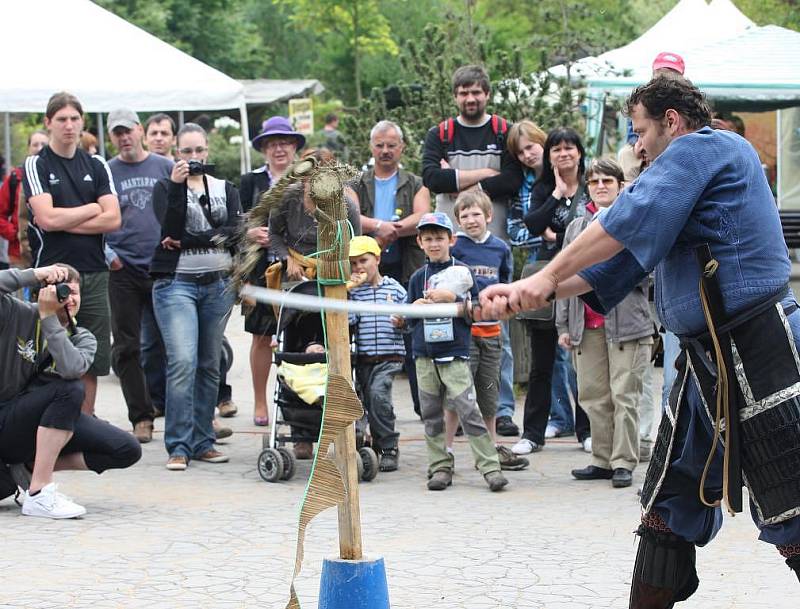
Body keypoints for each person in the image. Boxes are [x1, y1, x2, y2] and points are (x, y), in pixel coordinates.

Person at [480, 76, 800, 606]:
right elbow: (617, 261)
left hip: (761, 352)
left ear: (672, 121)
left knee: (793, 506)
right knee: (665, 511)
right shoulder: (683, 176)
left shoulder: (707, 147)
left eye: (641, 130)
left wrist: (542, 279)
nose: (636, 145)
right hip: (706, 369)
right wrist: (531, 289)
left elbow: (621, 221)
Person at [421, 64, 523, 438]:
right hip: (452, 249)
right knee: (455, 333)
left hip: (495, 246)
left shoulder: (503, 132)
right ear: (455, 97)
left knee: (500, 332)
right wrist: (483, 176)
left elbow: (513, 179)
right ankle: (461, 411)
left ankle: (504, 409)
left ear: (487, 94)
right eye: (463, 92)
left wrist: (459, 180)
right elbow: (432, 178)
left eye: (476, 91)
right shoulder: (441, 134)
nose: (470, 98)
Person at [0, 264, 141, 518]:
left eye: (75, 293)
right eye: (63, 292)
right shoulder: (16, 314)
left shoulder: (82, 337)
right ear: (42, 293)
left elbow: (70, 368)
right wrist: (34, 274)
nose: (70, 299)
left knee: (126, 448)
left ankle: (30, 467)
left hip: (49, 420)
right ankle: (39, 492)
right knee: (69, 390)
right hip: (6, 418)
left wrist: (50, 320)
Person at [149, 122, 241, 471]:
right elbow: (168, 231)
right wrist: (176, 187)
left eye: (198, 150)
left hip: (217, 283)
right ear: (176, 153)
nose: (193, 157)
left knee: (209, 363)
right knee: (183, 361)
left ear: (208, 150)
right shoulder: (164, 186)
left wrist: (189, 241)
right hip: (176, 283)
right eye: (186, 151)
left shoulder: (225, 187)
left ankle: (203, 440)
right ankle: (178, 444)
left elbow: (234, 231)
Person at [22, 91, 121, 417]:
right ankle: (45, 422)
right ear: (49, 122)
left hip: (93, 272)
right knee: (44, 349)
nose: (68, 126)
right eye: (61, 119)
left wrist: (64, 219)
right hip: (51, 272)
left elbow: (114, 218)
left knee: (89, 356)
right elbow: (46, 220)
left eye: (74, 119)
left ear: (83, 123)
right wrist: (93, 208)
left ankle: (84, 423)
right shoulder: (37, 163)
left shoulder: (96, 163)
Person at [556, 158, 653, 489]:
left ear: (621, 186)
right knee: (593, 394)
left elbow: (649, 270)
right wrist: (563, 326)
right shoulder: (576, 228)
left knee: (624, 393)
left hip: (627, 323)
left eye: (607, 181)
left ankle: (624, 460)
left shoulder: (636, 222)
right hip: (586, 324)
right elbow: (562, 276)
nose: (600, 186)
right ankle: (601, 458)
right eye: (594, 181)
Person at [268, 147, 361, 459]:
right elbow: (274, 236)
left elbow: (355, 246)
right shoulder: (288, 200)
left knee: (335, 347)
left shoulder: (346, 205)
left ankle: (341, 428)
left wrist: (337, 268)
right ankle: (300, 433)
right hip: (296, 281)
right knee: (294, 347)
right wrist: (286, 259)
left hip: (332, 279)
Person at [406, 211, 507, 492]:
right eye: (428, 239)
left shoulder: (463, 271)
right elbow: (405, 320)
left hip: (455, 353)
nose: (434, 243)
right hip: (424, 355)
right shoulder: (417, 277)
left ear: (451, 239)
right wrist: (409, 311)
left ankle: (490, 467)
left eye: (439, 238)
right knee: (430, 413)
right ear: (420, 242)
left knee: (468, 409)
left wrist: (455, 300)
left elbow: (477, 309)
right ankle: (439, 467)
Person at [512, 126, 590, 456]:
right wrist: (557, 193)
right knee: (541, 363)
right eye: (556, 149)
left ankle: (588, 431)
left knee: (583, 361)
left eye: (570, 148)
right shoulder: (545, 188)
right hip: (548, 277)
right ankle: (532, 434)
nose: (563, 154)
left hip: (584, 276)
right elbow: (533, 224)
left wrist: (555, 236)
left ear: (580, 152)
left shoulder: (592, 185)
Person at [351, 120, 431, 417]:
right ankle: (366, 409)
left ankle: (424, 407)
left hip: (406, 267)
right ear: (371, 147)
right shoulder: (357, 183)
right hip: (366, 271)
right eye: (379, 145)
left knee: (411, 336)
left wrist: (390, 230)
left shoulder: (415, 182)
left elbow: (423, 216)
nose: (385, 151)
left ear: (402, 148)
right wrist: (381, 227)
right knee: (366, 334)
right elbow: (353, 215)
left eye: (391, 145)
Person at [105, 108, 173, 443]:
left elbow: (183, 209)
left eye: (128, 130)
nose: (124, 137)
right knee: (128, 347)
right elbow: (98, 218)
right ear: (110, 137)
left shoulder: (165, 167)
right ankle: (141, 416)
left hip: (162, 267)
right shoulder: (105, 171)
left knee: (173, 344)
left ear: (140, 130)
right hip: (123, 269)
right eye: (116, 133)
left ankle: (183, 414)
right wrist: (109, 255)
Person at [449, 190, 528, 471]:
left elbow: (505, 281)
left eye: (476, 214)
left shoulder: (500, 248)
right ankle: (447, 450)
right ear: (457, 220)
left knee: (489, 391)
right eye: (465, 215)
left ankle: (490, 447)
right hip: (464, 330)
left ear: (488, 216)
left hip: (493, 330)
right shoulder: (455, 248)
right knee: (459, 391)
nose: (471, 220)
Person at [240, 116, 305, 426]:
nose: (279, 149)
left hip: (298, 267)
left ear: (294, 146)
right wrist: (251, 233)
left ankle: (297, 403)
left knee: (298, 336)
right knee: (262, 336)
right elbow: (237, 221)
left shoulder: (306, 179)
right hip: (261, 268)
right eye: (273, 143)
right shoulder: (250, 181)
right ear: (264, 148)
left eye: (285, 142)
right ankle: (259, 402)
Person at [348, 236, 407, 472]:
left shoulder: (394, 289)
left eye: (363, 260)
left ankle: (388, 446)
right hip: (362, 357)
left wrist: (402, 322)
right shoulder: (353, 293)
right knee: (362, 401)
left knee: (378, 396)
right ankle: (363, 441)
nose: (358, 267)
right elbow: (349, 324)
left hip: (389, 355)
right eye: (353, 263)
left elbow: (408, 323)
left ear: (378, 259)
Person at [0, 130, 49, 270]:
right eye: (35, 144)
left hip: (51, 252)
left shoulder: (55, 174)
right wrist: (14, 234)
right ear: (28, 148)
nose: (39, 148)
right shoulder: (17, 176)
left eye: (43, 144)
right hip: (19, 255)